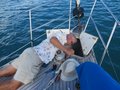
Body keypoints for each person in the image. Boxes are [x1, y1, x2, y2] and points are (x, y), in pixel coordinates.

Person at [0, 32, 77, 90]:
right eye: (72, 42)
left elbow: (63, 47)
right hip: (34, 58)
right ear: (69, 37)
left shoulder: (62, 41)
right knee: (13, 86)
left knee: (7, 71)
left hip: (30, 52)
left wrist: (68, 50)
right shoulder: (61, 35)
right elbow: (53, 40)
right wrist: (66, 50)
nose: (71, 44)